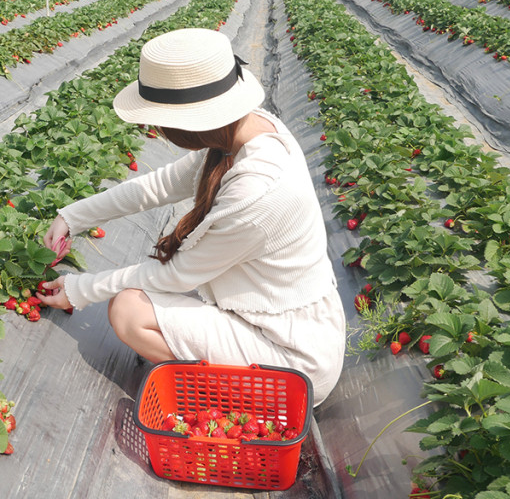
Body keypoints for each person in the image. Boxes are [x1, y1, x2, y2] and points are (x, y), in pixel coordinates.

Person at [36, 29, 347, 405]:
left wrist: (79, 291)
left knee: (128, 311)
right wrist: (72, 216)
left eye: (160, 121)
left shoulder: (258, 192)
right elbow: (157, 186)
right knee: (142, 293)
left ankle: (233, 399)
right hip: (277, 318)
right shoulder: (247, 131)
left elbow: (174, 275)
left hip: (292, 356)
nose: (158, 131)